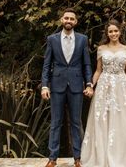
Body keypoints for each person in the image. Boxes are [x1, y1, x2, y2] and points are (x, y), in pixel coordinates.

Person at [81, 19, 126, 167]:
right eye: (110, 31)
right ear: (107, 34)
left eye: (115, 31)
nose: (113, 33)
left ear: (120, 32)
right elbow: (98, 70)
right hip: (103, 86)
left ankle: (123, 156)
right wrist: (90, 85)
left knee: (122, 120)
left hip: (121, 87)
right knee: (103, 119)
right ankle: (103, 156)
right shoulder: (101, 49)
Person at [41, 9, 94, 167]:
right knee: (56, 122)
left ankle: (78, 158)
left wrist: (89, 83)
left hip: (77, 86)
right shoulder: (52, 39)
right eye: (66, 18)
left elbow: (86, 64)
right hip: (56, 86)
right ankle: (52, 158)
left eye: (72, 18)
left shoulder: (83, 39)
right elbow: (46, 65)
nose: (69, 20)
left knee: (76, 123)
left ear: (75, 22)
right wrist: (45, 86)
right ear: (61, 20)